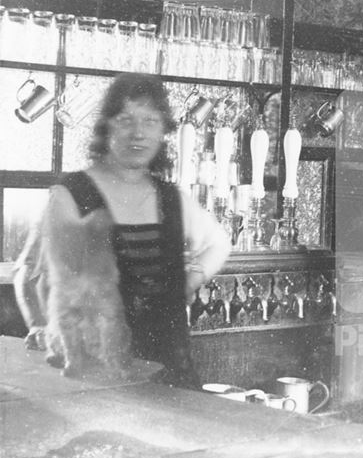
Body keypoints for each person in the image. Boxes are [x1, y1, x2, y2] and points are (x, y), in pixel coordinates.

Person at [14, 73, 231, 387]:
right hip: (97, 374)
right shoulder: (72, 194)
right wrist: (45, 327)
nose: (138, 133)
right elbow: (43, 278)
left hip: (169, 371)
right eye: (126, 119)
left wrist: (188, 281)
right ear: (107, 127)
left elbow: (218, 244)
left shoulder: (172, 198)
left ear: (163, 132)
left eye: (151, 121)